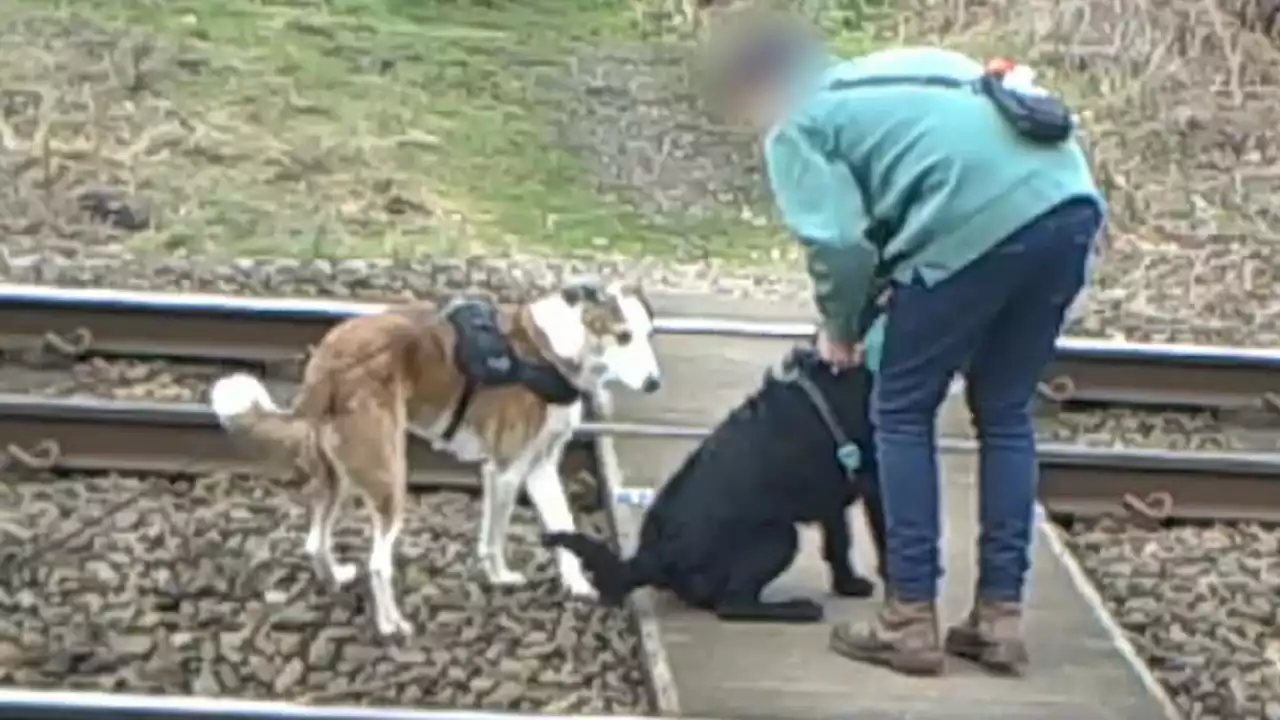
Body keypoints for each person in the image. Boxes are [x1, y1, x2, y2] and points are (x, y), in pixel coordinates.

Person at [710, 14, 1105, 677]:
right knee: (1005, 414)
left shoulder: (798, 123)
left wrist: (841, 326)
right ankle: (999, 618)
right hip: (1070, 207)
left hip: (976, 227)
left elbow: (839, 244)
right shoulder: (904, 66)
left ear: (759, 87)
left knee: (900, 411)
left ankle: (909, 618)